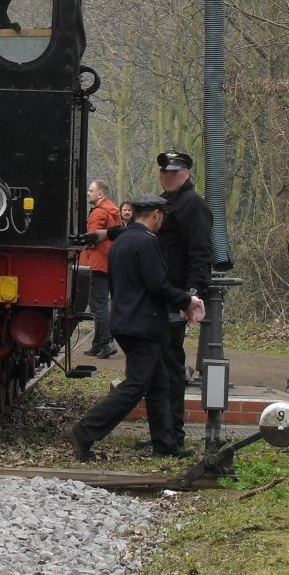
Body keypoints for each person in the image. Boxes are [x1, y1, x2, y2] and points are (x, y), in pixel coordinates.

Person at [65, 195, 204, 461]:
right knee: (136, 385)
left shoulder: (122, 240)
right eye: (161, 215)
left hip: (126, 320)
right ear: (155, 214)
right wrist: (187, 300)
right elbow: (157, 284)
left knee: (159, 383)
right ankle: (84, 432)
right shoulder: (146, 242)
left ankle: (165, 445)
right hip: (144, 324)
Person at [156, 149, 213, 447]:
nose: (169, 176)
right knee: (161, 366)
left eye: (175, 172)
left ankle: (173, 435)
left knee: (171, 367)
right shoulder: (165, 203)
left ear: (187, 173)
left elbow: (201, 254)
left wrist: (190, 298)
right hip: (161, 295)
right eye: (165, 172)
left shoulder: (193, 205)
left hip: (175, 296)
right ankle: (164, 432)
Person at [81, 180, 121, 359]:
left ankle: (105, 341)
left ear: (100, 195)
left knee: (98, 305)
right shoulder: (113, 211)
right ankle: (98, 343)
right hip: (108, 262)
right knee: (101, 303)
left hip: (96, 263)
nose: (88, 193)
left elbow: (92, 238)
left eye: (91, 191)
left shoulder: (98, 212)